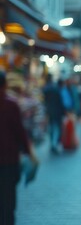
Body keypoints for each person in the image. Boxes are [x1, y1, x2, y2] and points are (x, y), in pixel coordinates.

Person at [0, 71, 38, 225]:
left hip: (9, 159)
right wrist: (29, 152)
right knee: (8, 202)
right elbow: (19, 131)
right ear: (5, 85)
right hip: (9, 160)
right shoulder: (11, 105)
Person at [42, 74, 65, 153]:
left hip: (50, 111)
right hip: (57, 111)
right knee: (57, 128)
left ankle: (52, 143)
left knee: (52, 127)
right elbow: (60, 100)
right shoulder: (55, 89)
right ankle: (56, 143)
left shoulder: (45, 89)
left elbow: (44, 101)